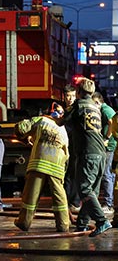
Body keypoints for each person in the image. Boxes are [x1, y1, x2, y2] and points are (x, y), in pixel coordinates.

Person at [62, 78, 112, 237]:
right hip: (101, 153)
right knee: (92, 191)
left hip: (88, 154)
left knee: (84, 189)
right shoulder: (95, 106)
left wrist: (47, 118)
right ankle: (82, 224)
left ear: (78, 92)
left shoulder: (78, 105)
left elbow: (61, 122)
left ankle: (102, 221)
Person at [13, 102, 70, 232]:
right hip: (57, 167)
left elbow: (21, 128)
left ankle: (24, 222)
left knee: (31, 196)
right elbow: (67, 152)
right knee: (59, 196)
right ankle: (63, 225)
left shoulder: (41, 120)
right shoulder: (63, 128)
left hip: (39, 164)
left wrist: (25, 137)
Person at [93, 92, 116, 216]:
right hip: (111, 146)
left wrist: (107, 138)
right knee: (109, 175)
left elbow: (112, 122)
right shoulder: (105, 109)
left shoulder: (105, 110)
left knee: (106, 174)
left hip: (109, 146)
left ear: (97, 102)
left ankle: (108, 204)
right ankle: (109, 202)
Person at [62, 84, 81, 215]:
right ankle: (66, 202)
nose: (70, 98)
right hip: (63, 147)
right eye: (68, 96)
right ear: (64, 97)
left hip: (74, 146)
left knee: (74, 174)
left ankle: (74, 202)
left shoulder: (77, 109)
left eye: (73, 96)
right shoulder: (61, 109)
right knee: (65, 175)